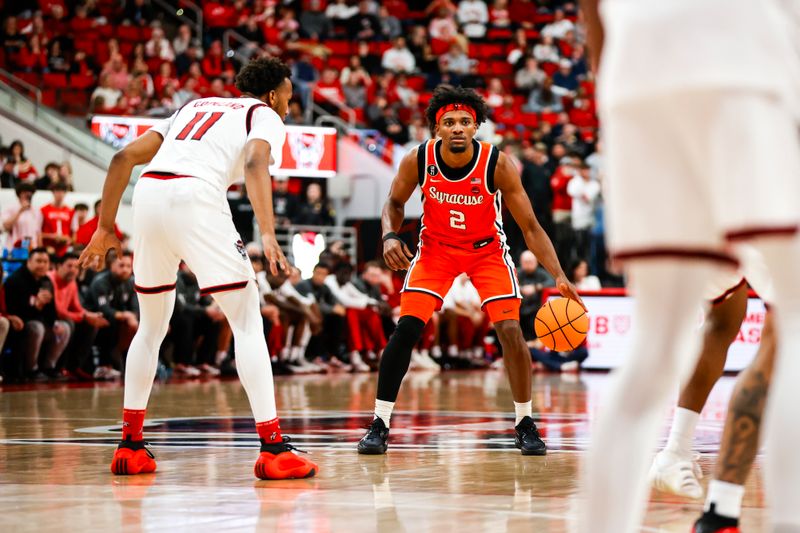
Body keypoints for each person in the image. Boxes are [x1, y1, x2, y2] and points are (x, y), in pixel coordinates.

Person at [577, 1, 800, 532]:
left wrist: (614, 93)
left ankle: (654, 476)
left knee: (655, 346)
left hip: (635, 82)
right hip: (742, 64)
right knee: (794, 325)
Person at [78, 57, 317, 480]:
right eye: (287, 95)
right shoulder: (263, 114)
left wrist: (103, 228)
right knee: (246, 320)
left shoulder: (194, 107)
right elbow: (256, 164)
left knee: (151, 327)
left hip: (148, 196)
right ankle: (274, 447)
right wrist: (268, 235)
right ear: (273, 94)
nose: (288, 103)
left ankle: (130, 446)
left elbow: (122, 158)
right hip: (196, 197)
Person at [357, 85, 583, 456]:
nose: (458, 127)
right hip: (436, 251)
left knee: (510, 330)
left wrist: (559, 274)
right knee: (407, 328)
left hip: (487, 252)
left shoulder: (498, 163)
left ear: (476, 126)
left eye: (465, 121)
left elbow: (530, 227)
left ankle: (525, 422)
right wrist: (388, 236)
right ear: (437, 129)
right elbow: (394, 202)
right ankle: (380, 423)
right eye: (449, 122)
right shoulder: (418, 159)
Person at [4, 248, 71, 380]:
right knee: (37, 327)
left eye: (45, 261)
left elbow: (51, 310)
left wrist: (54, 323)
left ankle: (49, 367)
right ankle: (31, 369)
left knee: (64, 328)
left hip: (40, 323)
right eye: (38, 261)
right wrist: (36, 305)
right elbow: (14, 311)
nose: (42, 265)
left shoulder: (46, 281)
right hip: (22, 325)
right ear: (29, 261)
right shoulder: (16, 280)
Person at [48, 252, 109, 380]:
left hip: (62, 319)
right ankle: (59, 367)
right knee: (69, 323)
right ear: (58, 266)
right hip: (49, 319)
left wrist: (90, 316)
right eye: (69, 266)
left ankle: (75, 367)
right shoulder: (50, 280)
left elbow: (77, 307)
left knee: (92, 325)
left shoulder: (72, 282)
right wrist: (84, 316)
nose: (73, 270)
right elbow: (58, 311)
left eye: (76, 267)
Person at [3, 182, 42, 251]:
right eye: (25, 193)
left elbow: (38, 233)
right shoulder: (11, 209)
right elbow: (6, 226)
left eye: (30, 193)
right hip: (13, 249)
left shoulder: (37, 212)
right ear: (19, 194)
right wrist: (20, 211)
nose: (28, 195)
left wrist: (40, 250)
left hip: (32, 249)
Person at [40, 182, 73, 257]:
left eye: (62, 191)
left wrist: (68, 240)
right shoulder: (44, 210)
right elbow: (38, 232)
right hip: (48, 247)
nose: (60, 194)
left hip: (65, 249)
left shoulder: (70, 211)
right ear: (53, 192)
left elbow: (74, 234)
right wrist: (53, 236)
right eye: (57, 191)